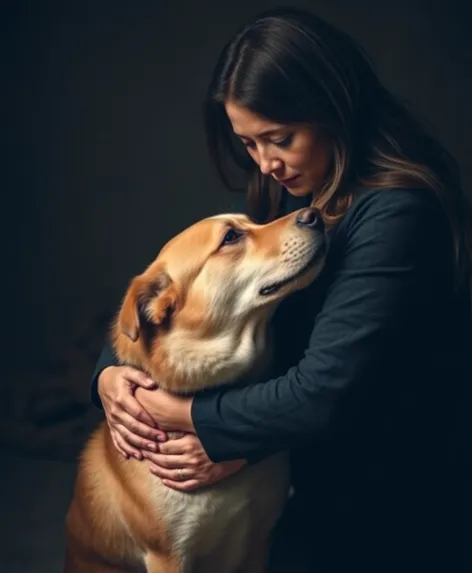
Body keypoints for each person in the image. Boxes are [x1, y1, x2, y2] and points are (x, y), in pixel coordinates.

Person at [90, 7, 472, 573]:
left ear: (334, 108)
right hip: (317, 489)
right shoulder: (299, 191)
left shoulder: (398, 212)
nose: (266, 164)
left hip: (395, 502)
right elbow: (193, 303)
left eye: (280, 138)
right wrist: (110, 375)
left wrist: (195, 422)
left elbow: (325, 391)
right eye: (248, 144)